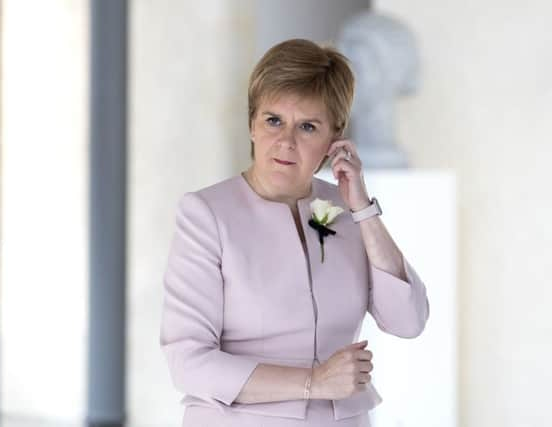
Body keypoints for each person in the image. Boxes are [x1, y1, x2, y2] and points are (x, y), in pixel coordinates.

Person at [159, 38, 429, 427]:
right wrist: (314, 383)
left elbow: (408, 321)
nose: (285, 141)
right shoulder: (206, 214)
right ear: (252, 123)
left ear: (333, 138)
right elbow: (188, 362)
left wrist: (362, 208)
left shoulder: (347, 210)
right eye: (273, 120)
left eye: (307, 126)